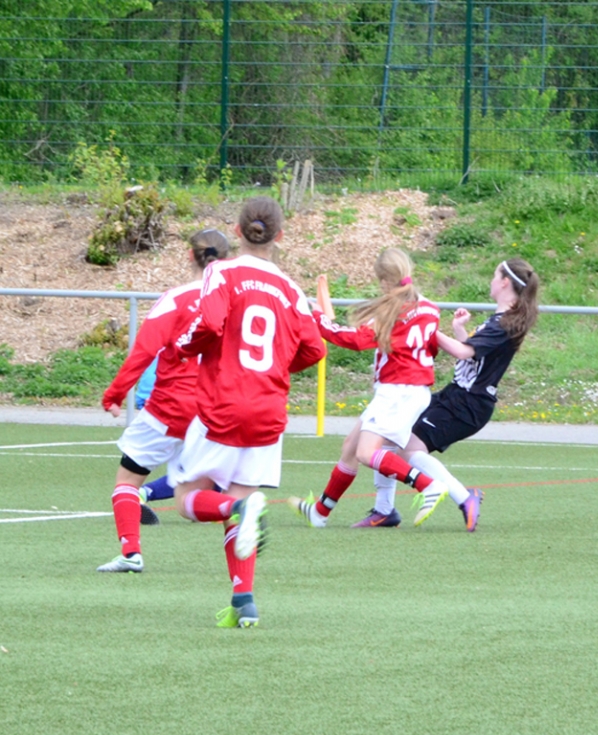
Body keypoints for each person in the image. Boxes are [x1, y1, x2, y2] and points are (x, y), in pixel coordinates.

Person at [172, 197, 326, 628]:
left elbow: (209, 322)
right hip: (268, 409)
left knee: (186, 499)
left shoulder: (221, 271)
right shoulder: (290, 289)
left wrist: (184, 346)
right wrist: (277, 367)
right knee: (239, 498)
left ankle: (239, 511)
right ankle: (244, 602)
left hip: (223, 402)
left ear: (237, 231)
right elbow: (314, 348)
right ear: (280, 236)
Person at [356, 257, 539, 532]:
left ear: (504, 283)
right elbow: (475, 355)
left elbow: (464, 352)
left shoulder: (503, 324)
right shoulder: (500, 320)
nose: (490, 281)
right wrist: (459, 330)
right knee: (392, 439)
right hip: (455, 396)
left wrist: (427, 328)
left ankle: (463, 497)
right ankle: (384, 511)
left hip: (468, 404)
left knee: (408, 447)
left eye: (494, 275)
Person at [96, 228, 231, 572]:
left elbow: (143, 351)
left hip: (170, 408)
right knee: (194, 495)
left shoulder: (176, 299)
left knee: (127, 481)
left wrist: (115, 394)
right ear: (226, 260)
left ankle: (131, 554)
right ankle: (238, 509)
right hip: (216, 410)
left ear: (189, 256)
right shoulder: (235, 301)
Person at [288, 247, 449, 529]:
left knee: (365, 453)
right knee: (351, 447)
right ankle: (320, 512)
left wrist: (319, 319)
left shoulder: (392, 311)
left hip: (399, 392)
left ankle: (428, 486)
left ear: (385, 281)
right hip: (411, 390)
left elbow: (354, 339)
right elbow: (431, 347)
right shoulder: (428, 307)